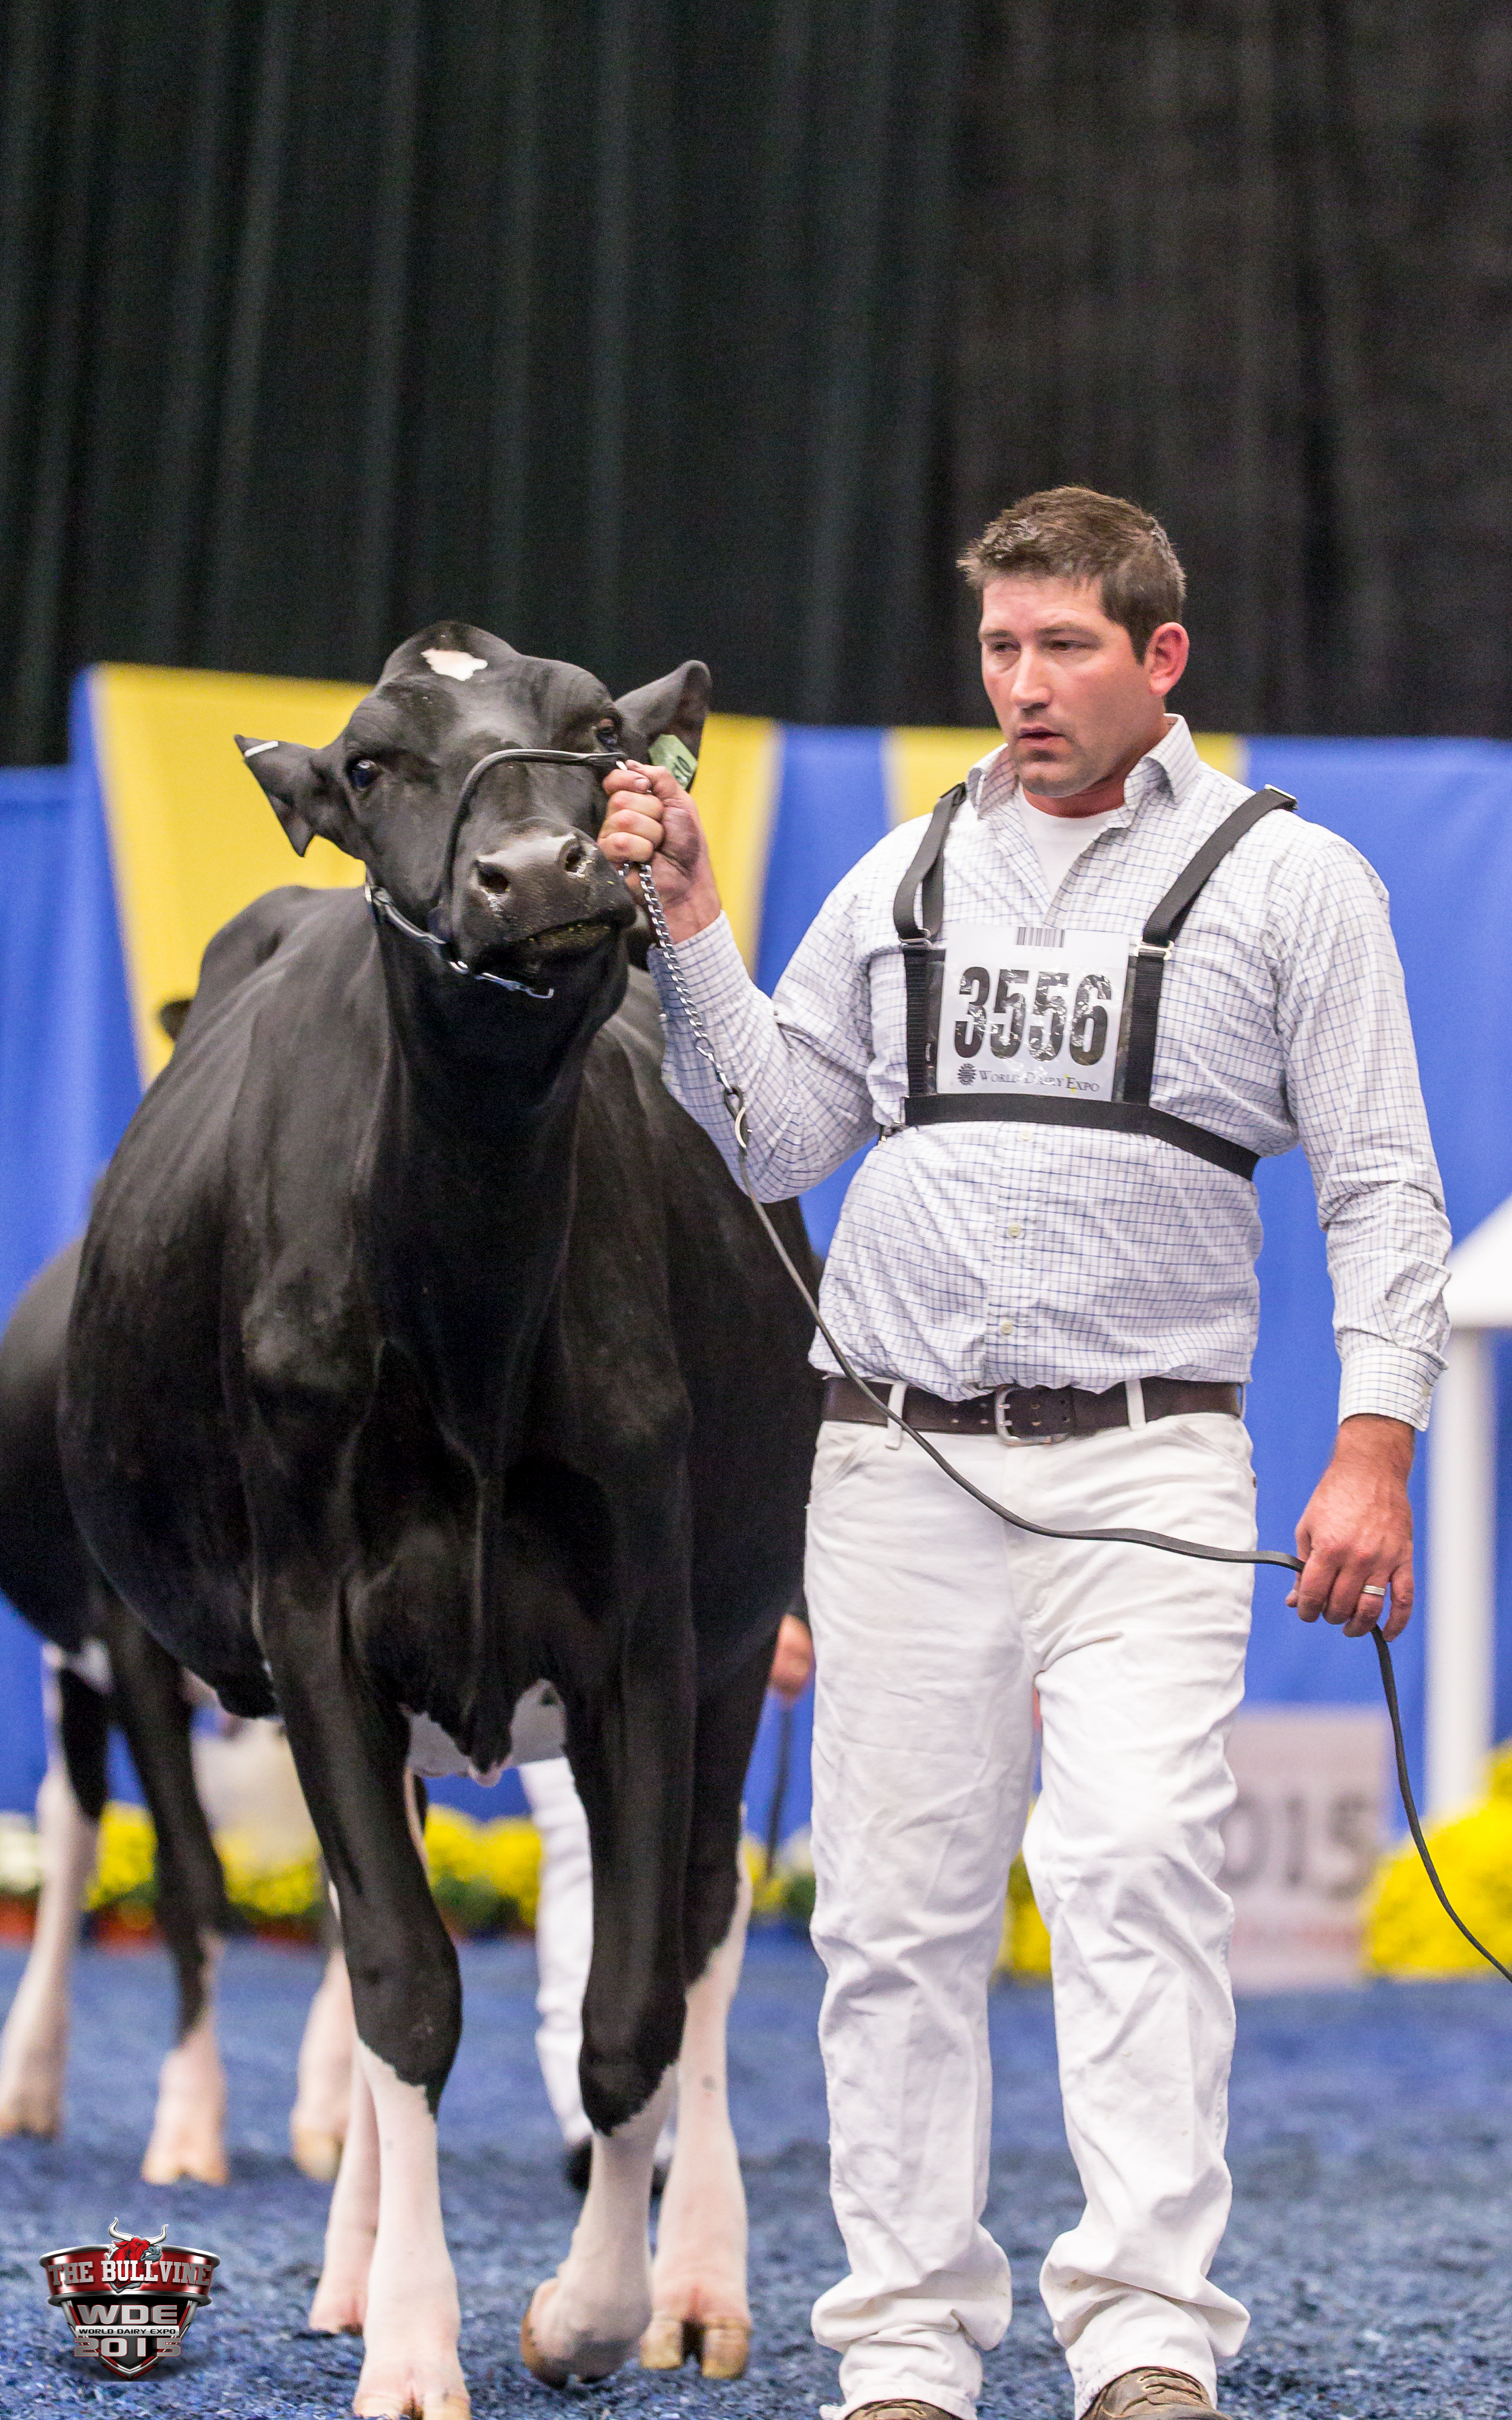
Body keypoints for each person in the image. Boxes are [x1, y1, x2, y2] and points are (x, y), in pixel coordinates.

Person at [599, 486, 1449, 2420]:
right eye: (1000, 646)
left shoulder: (1288, 880)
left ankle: (1144, 2334)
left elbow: (1385, 1185)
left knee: (1136, 1868)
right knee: (890, 1916)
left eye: (1065, 645)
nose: (1024, 684)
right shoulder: (901, 873)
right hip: (893, 1463)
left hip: (1154, 1470)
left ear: (1161, 656)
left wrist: (1374, 1447)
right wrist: (691, 929)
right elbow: (775, 1134)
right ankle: (904, 2343)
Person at [522, 1608, 815, 2186]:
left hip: (705, 1603)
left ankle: (675, 2114)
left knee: (697, 1842)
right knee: (583, 1835)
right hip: (560, 1599)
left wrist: (785, 1606)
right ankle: (597, 2113)